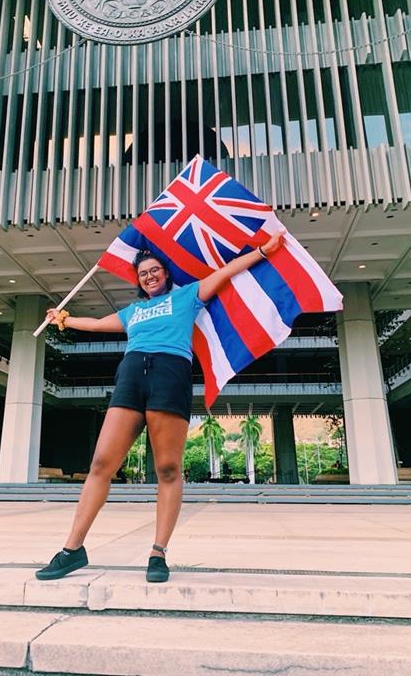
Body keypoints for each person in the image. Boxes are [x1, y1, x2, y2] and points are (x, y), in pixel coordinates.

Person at [36, 231, 285, 583]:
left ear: (165, 273)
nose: (149, 276)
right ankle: (72, 550)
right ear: (138, 280)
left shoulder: (188, 295)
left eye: (154, 270)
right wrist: (63, 319)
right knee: (101, 463)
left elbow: (228, 271)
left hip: (170, 375)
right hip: (131, 376)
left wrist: (262, 250)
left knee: (167, 468)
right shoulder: (133, 311)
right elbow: (95, 323)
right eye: (143, 273)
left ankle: (158, 552)